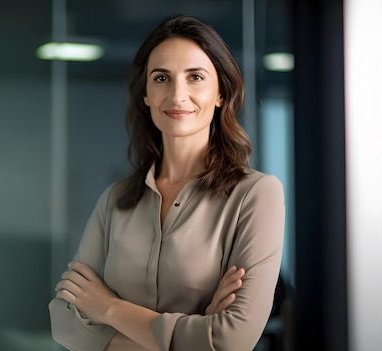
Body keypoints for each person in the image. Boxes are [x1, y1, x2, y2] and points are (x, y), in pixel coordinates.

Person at [49, 14, 285, 351]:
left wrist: (108, 308)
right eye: (162, 78)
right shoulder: (115, 200)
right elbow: (65, 322)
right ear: (145, 94)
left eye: (195, 77)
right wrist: (195, 333)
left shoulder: (256, 195)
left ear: (221, 92)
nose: (177, 95)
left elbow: (232, 339)